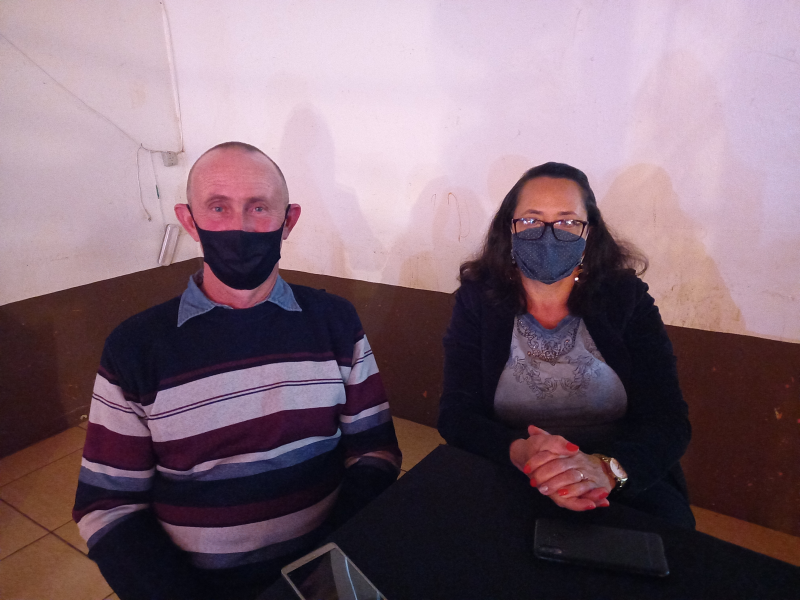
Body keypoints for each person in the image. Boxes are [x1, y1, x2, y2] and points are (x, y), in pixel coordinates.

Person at [73, 142, 402, 600]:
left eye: (259, 208)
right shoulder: (136, 348)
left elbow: (375, 451)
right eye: (218, 207)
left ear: (289, 221)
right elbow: (109, 506)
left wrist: (329, 561)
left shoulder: (335, 322)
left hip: (323, 573)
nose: (240, 227)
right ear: (189, 221)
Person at [437, 162, 694, 528]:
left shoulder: (625, 297)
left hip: (618, 478)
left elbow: (668, 419)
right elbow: (456, 414)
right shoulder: (478, 300)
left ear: (590, 232)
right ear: (509, 228)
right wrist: (521, 452)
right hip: (508, 472)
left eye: (567, 221)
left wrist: (605, 470)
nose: (548, 234)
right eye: (531, 219)